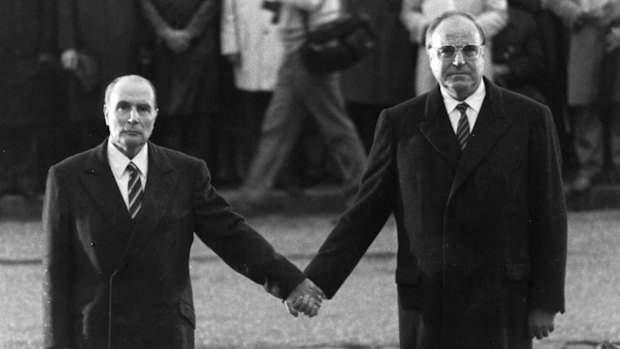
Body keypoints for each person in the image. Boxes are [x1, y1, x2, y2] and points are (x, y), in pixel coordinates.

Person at [297, 12, 567, 348]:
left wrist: (545, 301)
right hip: (428, 302)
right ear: (428, 55)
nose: (459, 61)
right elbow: (364, 214)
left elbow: (549, 215)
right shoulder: (400, 123)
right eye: (446, 51)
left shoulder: (529, 118)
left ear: (484, 53)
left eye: (469, 50)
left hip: (502, 300)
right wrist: (314, 281)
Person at [42, 75, 324, 349]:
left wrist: (289, 282)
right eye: (123, 106)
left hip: (165, 332)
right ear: (106, 113)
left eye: (143, 108)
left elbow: (232, 236)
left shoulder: (184, 172)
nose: (132, 117)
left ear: (155, 116)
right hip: (97, 334)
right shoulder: (68, 176)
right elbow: (56, 275)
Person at [238, 0, 367, 210]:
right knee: (277, 126)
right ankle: (252, 195)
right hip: (298, 54)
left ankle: (363, 196)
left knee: (336, 128)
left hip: (312, 53)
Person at [543, 0, 620, 192]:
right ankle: (589, 166)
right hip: (583, 31)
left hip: (616, 30)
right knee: (585, 100)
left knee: (618, 100)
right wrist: (573, 12)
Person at [57, 0, 141, 152]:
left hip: (124, 43)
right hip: (88, 46)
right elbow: (65, 9)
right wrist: (67, 45)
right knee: (88, 112)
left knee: (121, 108)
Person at [400, 0, 508, 96]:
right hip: (432, 53)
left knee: (476, 106)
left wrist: (468, 29)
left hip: (472, 51)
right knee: (429, 108)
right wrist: (426, 29)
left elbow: (499, 13)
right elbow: (408, 12)